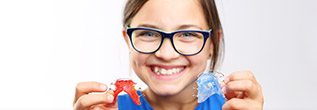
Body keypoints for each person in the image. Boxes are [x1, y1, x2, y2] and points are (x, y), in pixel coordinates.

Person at [73, 0, 264, 109]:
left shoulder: (233, 107)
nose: (166, 53)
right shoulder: (109, 109)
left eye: (188, 34)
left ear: (212, 43)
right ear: (127, 40)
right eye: (148, 33)